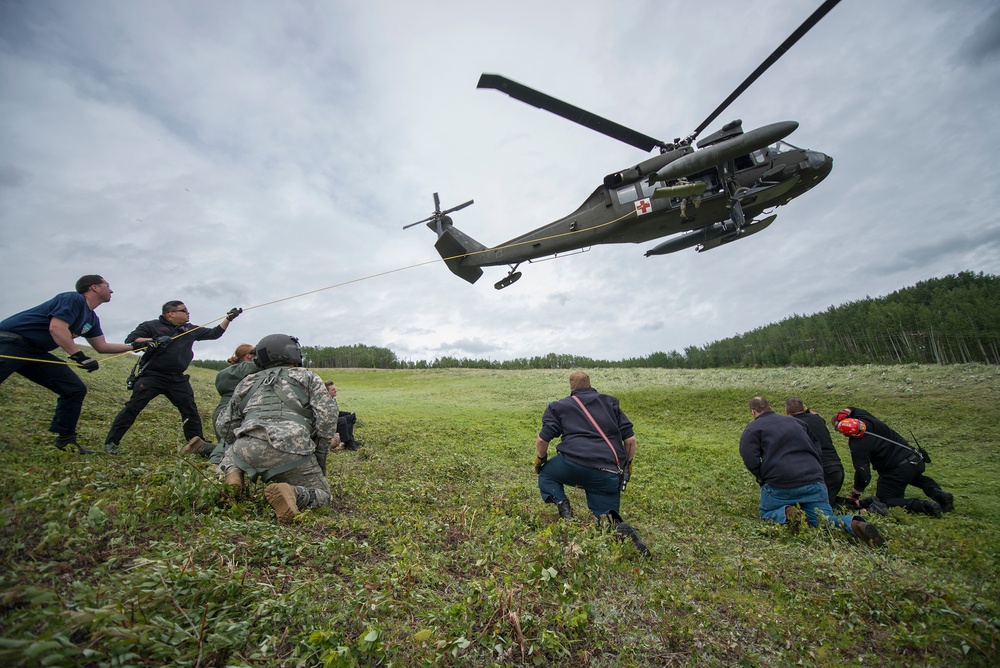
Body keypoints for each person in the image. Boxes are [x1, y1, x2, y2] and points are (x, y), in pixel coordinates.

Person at [0, 275, 143, 453]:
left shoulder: (91, 318)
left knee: (74, 389)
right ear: (94, 288)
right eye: (107, 285)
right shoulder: (73, 299)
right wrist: (79, 356)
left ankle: (66, 440)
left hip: (36, 352)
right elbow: (56, 328)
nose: (111, 290)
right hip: (9, 342)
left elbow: (101, 346)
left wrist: (137, 346)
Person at [216, 334, 338, 524]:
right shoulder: (307, 377)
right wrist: (320, 447)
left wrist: (240, 445)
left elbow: (224, 425)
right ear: (293, 353)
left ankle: (233, 472)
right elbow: (328, 416)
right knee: (323, 496)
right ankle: (293, 493)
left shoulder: (247, 381)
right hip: (291, 449)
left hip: (245, 448)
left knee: (230, 456)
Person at [739, 397, 885, 547]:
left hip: (780, 482)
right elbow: (816, 447)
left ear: (753, 411)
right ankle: (855, 525)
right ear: (770, 407)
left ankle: (787, 513)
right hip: (814, 479)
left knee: (767, 513)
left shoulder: (753, 428)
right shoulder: (797, 422)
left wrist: (761, 476)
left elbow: (749, 457)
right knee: (823, 519)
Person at [535, 371, 649, 557]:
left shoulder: (560, 406)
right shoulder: (610, 402)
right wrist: (627, 465)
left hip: (572, 465)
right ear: (590, 384)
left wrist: (541, 460)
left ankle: (564, 509)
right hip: (608, 471)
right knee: (606, 517)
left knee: (547, 474)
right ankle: (618, 530)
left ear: (571, 388)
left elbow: (542, 441)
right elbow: (630, 441)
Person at [103, 301, 242, 454]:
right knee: (134, 407)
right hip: (152, 375)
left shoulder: (189, 329)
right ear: (170, 313)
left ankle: (197, 444)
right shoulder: (151, 326)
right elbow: (131, 340)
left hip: (177, 378)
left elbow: (214, 334)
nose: (188, 313)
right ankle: (112, 442)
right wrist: (152, 341)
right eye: (184, 310)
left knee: (190, 410)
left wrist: (229, 318)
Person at [832, 407, 954, 517]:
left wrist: (856, 493)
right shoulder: (867, 419)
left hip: (896, 470)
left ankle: (924, 506)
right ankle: (939, 494)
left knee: (885, 501)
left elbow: (863, 473)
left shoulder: (858, 445)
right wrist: (844, 413)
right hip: (915, 459)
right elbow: (853, 409)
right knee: (916, 477)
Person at [179, 343, 257, 464]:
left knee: (237, 446)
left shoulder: (226, 373)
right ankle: (215, 461)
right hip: (235, 415)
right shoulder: (248, 369)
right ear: (248, 356)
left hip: (220, 415)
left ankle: (202, 447)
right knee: (236, 446)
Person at [784, 397, 847, 508]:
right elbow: (816, 414)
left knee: (817, 509)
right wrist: (807, 410)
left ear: (787, 411)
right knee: (828, 504)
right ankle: (860, 507)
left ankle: (855, 515)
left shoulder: (792, 424)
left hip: (817, 473)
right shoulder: (818, 419)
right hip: (836, 469)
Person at [324, 380, 362, 451]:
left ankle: (351, 440)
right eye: (333, 390)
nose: (335, 391)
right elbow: (327, 416)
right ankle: (347, 443)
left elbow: (336, 413)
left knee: (351, 416)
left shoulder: (332, 400)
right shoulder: (324, 402)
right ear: (327, 392)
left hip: (333, 420)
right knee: (342, 420)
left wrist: (349, 413)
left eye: (335, 389)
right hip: (327, 424)